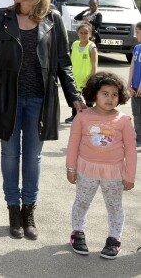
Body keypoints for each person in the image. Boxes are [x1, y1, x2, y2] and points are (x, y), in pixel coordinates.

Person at [0, 0, 85, 240]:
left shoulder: (53, 18)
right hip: (8, 99)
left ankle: (29, 212)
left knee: (33, 158)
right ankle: (13, 211)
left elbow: (63, 61)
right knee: (10, 155)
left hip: (39, 99)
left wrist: (74, 96)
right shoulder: (3, 17)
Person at [66, 72, 136, 259]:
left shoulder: (124, 121)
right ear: (94, 94)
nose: (110, 98)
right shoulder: (82, 117)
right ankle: (77, 232)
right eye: (104, 93)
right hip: (86, 169)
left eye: (114, 95)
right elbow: (73, 143)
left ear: (120, 97)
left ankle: (114, 238)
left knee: (114, 206)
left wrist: (130, 176)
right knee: (82, 202)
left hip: (113, 173)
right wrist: (70, 168)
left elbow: (130, 150)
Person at [65, 22, 98, 124]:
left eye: (86, 33)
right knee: (75, 98)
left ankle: (89, 117)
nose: (83, 35)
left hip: (86, 78)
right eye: (81, 33)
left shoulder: (91, 47)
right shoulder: (74, 44)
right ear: (77, 33)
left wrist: (92, 78)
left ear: (90, 34)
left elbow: (94, 65)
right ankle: (75, 116)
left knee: (88, 100)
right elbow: (70, 60)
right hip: (74, 77)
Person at [127, 21, 141, 146]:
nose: (136, 35)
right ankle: (138, 137)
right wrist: (128, 84)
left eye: (137, 32)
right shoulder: (137, 48)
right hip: (135, 87)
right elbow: (132, 66)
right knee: (136, 113)